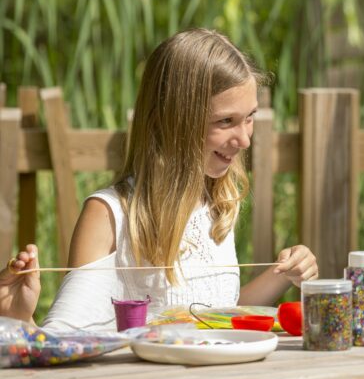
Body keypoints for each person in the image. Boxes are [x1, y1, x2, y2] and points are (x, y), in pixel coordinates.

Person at [1, 28, 318, 330]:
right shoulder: (109, 216)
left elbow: (212, 318)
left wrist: (280, 275)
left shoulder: (218, 204)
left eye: (249, 118)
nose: (245, 139)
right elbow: (67, 345)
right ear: (172, 122)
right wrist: (19, 319)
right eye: (225, 121)